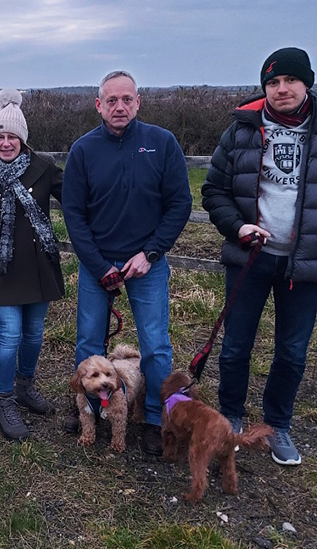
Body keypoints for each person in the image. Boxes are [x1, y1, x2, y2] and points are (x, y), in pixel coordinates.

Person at [202, 47, 317, 465]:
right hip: (251, 258)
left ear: (307, 83)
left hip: (305, 263)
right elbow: (214, 191)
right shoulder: (242, 131)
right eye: (273, 82)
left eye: (290, 81)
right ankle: (230, 418)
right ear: (264, 87)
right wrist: (237, 227)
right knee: (236, 345)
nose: (282, 89)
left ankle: (278, 425)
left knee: (292, 350)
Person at [62, 71, 192, 455]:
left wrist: (150, 253)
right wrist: (99, 265)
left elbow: (180, 204)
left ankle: (154, 418)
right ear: (99, 105)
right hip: (97, 262)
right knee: (88, 340)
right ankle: (86, 406)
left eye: (127, 99)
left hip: (146, 263)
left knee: (155, 346)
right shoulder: (83, 150)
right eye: (111, 100)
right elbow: (74, 213)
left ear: (139, 102)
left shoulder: (161, 143)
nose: (120, 107)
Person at [0, 89, 64, 440]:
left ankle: (25, 386)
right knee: (10, 334)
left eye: (12, 137)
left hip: (39, 264)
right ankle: (5, 400)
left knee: (35, 333)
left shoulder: (42, 168)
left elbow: (75, 196)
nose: (5, 143)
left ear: (22, 140)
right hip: (2, 268)